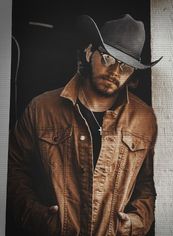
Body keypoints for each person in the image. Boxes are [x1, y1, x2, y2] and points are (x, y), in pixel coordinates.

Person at [7, 14, 162, 236]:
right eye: (108, 58)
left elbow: (149, 184)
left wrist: (135, 223)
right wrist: (35, 216)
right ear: (90, 52)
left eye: (126, 67)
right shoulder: (42, 109)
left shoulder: (145, 120)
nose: (115, 72)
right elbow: (12, 169)